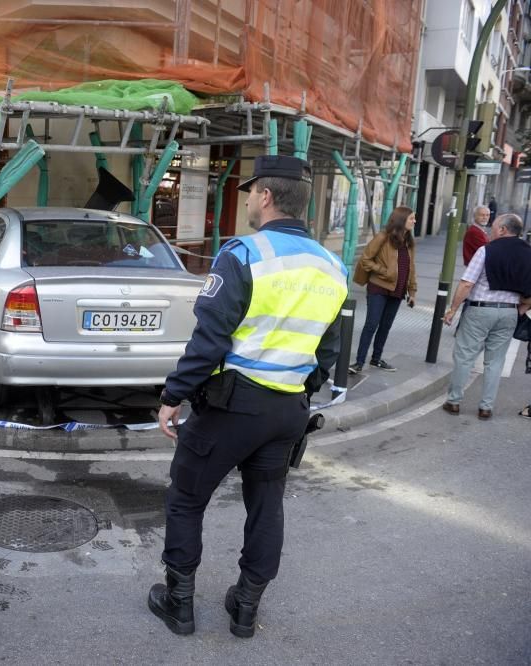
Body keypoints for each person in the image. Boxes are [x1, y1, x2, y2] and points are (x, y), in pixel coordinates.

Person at [147, 155, 347, 638]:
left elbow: (209, 338)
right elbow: (329, 350)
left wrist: (174, 395)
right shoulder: (332, 265)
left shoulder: (244, 254)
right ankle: (245, 608)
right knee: (266, 506)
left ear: (266, 196)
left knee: (186, 499)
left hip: (233, 407)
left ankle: (179, 605)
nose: (251, 202)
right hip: (288, 411)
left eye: (252, 194)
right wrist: (299, 392)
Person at [442, 213, 531, 419]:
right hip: (509, 312)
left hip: (480, 309)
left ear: (502, 230)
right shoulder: (529, 254)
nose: (491, 229)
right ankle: (486, 407)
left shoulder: (486, 250)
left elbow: (467, 283)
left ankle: (454, 401)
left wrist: (453, 309)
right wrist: (520, 309)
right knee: (496, 361)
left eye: (495, 226)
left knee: (465, 356)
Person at [349, 207, 418, 374]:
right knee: (371, 324)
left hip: (398, 290)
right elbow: (365, 260)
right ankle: (358, 362)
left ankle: (376, 359)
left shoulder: (408, 241)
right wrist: (384, 271)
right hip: (378, 287)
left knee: (385, 326)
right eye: (411, 218)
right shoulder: (383, 237)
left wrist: (412, 292)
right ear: (401, 220)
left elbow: (411, 268)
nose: (414, 221)